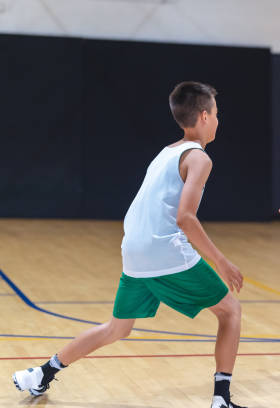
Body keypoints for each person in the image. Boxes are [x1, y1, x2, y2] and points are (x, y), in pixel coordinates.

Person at [12, 81, 247, 408]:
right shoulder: (199, 159)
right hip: (163, 250)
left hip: (134, 252)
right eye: (217, 114)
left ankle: (42, 373)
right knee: (230, 311)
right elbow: (186, 219)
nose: (219, 121)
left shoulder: (166, 152)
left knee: (117, 328)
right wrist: (222, 262)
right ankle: (221, 400)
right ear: (205, 116)